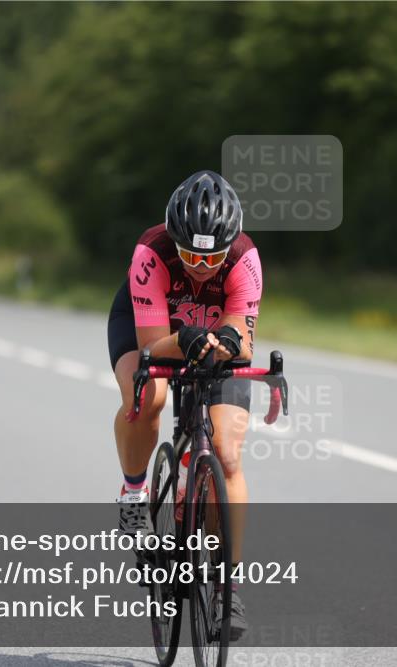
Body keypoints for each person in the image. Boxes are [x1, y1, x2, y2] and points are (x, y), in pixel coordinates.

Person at [108, 170, 261, 638]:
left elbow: (243, 340)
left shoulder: (245, 259)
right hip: (150, 329)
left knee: (228, 455)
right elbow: (153, 348)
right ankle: (134, 494)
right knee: (148, 396)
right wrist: (187, 337)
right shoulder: (151, 253)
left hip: (212, 338)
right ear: (174, 241)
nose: (198, 265)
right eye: (189, 254)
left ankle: (226, 589)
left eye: (210, 256)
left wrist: (227, 339)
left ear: (229, 246)